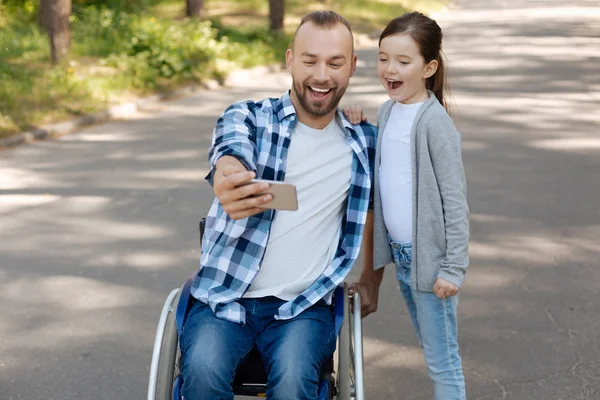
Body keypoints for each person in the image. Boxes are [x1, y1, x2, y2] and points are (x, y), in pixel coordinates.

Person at [180, 10, 377, 400]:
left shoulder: (364, 140)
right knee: (201, 375)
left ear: (352, 67)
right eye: (310, 61)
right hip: (225, 298)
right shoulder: (250, 117)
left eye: (335, 63)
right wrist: (229, 175)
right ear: (290, 60)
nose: (321, 75)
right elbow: (230, 148)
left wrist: (372, 277)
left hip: (304, 306)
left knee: (292, 385)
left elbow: (373, 210)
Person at [345, 12, 470, 400]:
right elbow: (389, 162)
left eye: (403, 61)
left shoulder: (435, 124)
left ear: (429, 67)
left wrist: (453, 268)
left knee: (442, 359)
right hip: (403, 257)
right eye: (383, 58)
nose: (390, 69)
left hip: (431, 264)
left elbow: (455, 200)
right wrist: (358, 121)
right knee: (431, 345)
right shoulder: (389, 111)